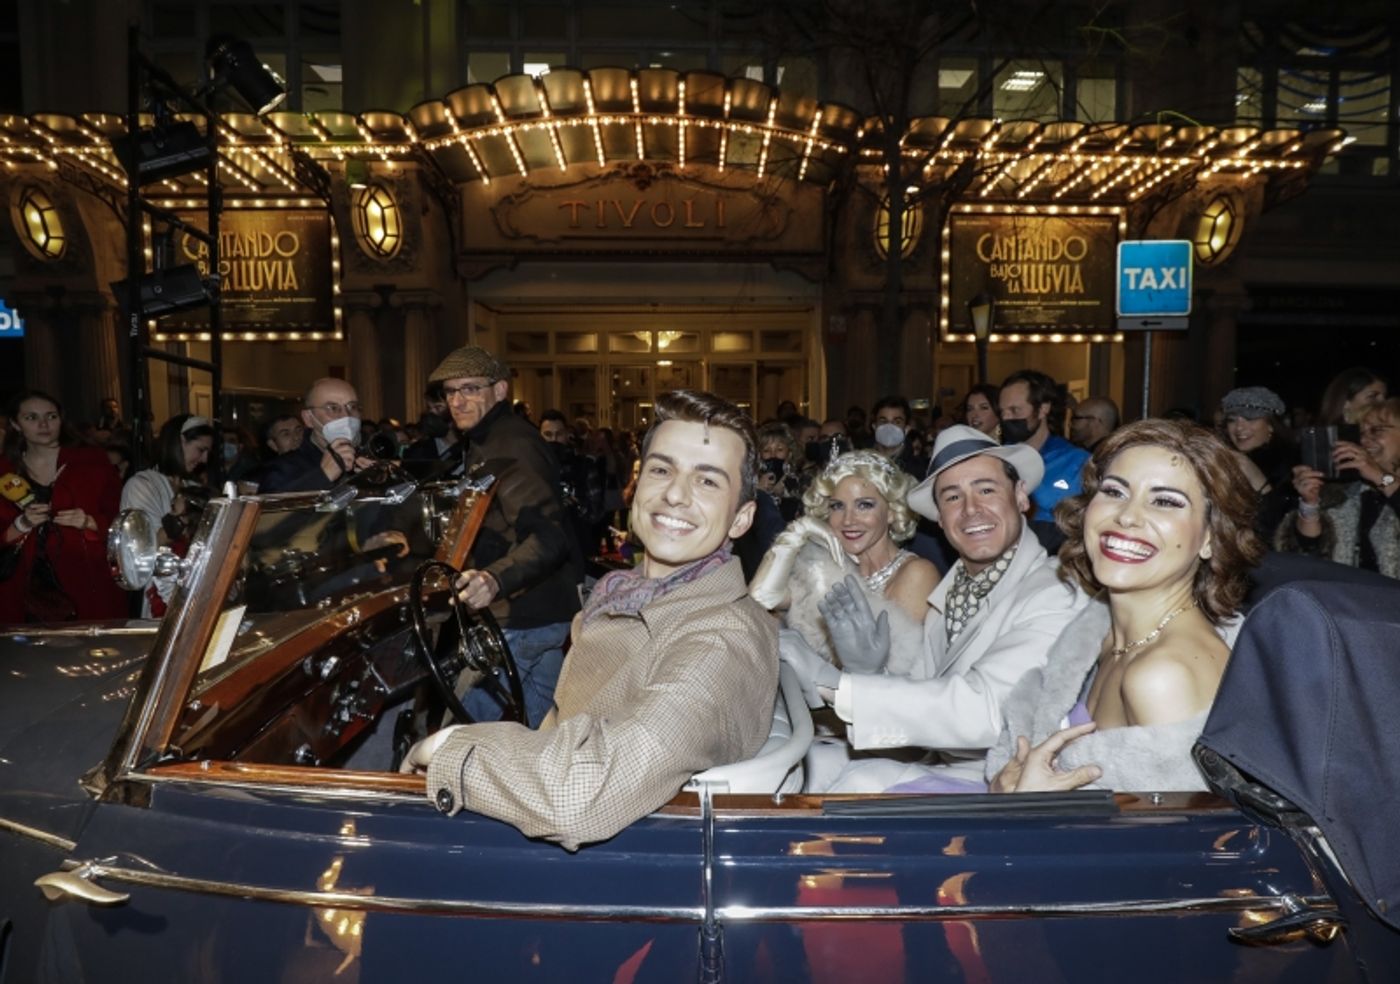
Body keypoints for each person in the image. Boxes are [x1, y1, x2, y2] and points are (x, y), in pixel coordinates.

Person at [401, 390, 777, 850]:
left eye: (707, 482)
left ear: (742, 519)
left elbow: (579, 797)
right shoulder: (625, 591)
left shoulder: (719, 642)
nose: (675, 495)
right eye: (661, 469)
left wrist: (450, 748)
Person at [777, 426, 1085, 791]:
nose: (971, 510)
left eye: (986, 490)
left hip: (1011, 780)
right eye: (953, 497)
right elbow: (921, 690)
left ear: (1020, 497)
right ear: (940, 517)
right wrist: (869, 672)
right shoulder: (951, 592)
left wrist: (839, 687)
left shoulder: (1054, 590)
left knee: (859, 782)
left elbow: (988, 711)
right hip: (944, 760)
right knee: (796, 766)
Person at [981, 420, 1262, 794]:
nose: (1127, 516)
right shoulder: (1100, 630)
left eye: (1164, 501)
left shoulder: (1163, 676)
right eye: (1114, 491)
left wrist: (1029, 810)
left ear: (1211, 537)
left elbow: (1183, 847)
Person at [429, 346, 583, 727]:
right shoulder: (488, 439)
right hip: (542, 609)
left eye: (470, 389)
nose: (457, 401)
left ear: (500, 391)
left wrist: (495, 578)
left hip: (522, 614)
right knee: (539, 732)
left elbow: (548, 536)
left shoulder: (509, 444)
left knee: (457, 733)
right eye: (450, 392)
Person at [750, 450, 940, 675]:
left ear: (891, 511)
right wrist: (795, 534)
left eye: (865, 505)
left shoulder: (916, 574)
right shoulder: (820, 569)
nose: (848, 520)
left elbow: (898, 670)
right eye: (837, 506)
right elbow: (758, 601)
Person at [0, 391, 127, 624]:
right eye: (31, 418)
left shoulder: (91, 461)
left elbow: (122, 519)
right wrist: (20, 525)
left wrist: (90, 521)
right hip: (23, 585)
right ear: (16, 425)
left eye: (51, 416)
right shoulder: (4, 470)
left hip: (84, 577)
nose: (43, 424)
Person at [1277, 397, 1400, 579]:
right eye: (1361, 433)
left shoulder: (1380, 482)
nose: (1365, 441)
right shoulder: (1344, 492)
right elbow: (1306, 553)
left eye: (1376, 430)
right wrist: (1309, 504)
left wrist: (1379, 477)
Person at [120, 414, 217, 618]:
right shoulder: (142, 485)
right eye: (200, 450)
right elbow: (142, 549)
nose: (204, 460)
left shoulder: (193, 487)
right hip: (157, 591)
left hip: (193, 589)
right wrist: (181, 518)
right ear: (179, 441)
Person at [999, 369, 1090, 554]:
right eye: (1003, 412)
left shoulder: (1076, 461)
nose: (1007, 418)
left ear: (1043, 409)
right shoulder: (997, 459)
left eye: (1015, 410)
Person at [258, 378, 373, 493]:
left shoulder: (370, 456)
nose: (345, 416)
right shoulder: (282, 469)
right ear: (308, 418)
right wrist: (322, 476)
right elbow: (268, 509)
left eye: (352, 407)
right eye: (333, 408)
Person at [1219, 386, 1297, 538]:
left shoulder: (1291, 469)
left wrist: (1257, 480)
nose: (1239, 427)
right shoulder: (1222, 460)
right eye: (1232, 420)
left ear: (1271, 425)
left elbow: (1281, 532)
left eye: (1250, 418)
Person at [1317, 367, 1387, 429]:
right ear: (1345, 403)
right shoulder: (1325, 439)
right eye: (1372, 396)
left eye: (1385, 397)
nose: (1383, 403)